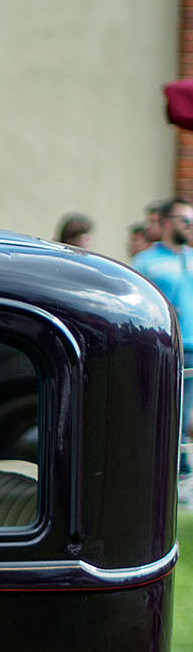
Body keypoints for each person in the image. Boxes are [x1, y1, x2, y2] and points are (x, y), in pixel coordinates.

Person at [134, 196, 193, 473]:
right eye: (185, 221)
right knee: (164, 407)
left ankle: (181, 463)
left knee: (185, 410)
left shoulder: (191, 257)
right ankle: (162, 465)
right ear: (168, 223)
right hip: (166, 345)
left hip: (192, 345)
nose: (190, 226)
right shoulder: (146, 262)